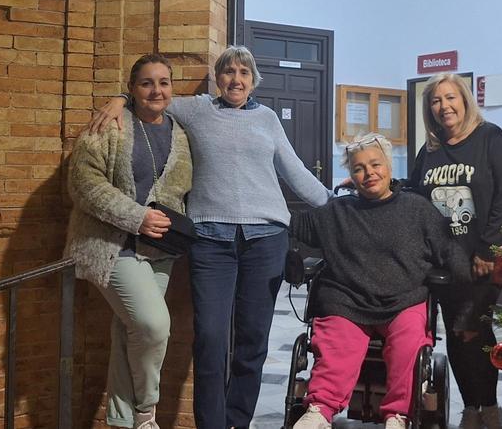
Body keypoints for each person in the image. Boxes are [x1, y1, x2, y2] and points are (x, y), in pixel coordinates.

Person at [89, 45, 331, 429]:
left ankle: (237, 421)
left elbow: (295, 170)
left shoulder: (267, 119)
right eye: (228, 72)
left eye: (244, 73)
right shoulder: (198, 109)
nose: (236, 79)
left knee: (252, 341)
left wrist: (336, 205)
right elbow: (155, 98)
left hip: (266, 240)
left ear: (253, 81)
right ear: (217, 78)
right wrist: (120, 98)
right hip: (211, 241)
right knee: (210, 338)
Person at [290, 134, 469, 429]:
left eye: (375, 164)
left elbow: (449, 251)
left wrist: (468, 302)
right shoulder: (337, 211)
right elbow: (292, 224)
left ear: (388, 165)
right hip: (346, 300)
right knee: (337, 343)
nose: (368, 173)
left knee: (409, 341)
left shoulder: (417, 209)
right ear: (351, 175)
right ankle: (319, 410)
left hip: (403, 300)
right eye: (359, 168)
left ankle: (397, 415)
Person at [64, 54, 193, 429]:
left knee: (130, 331)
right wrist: (135, 218)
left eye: (164, 82)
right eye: (146, 83)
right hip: (111, 246)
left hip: (160, 252)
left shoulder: (181, 131)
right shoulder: (109, 124)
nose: (156, 90)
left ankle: (122, 421)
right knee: (153, 326)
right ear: (132, 88)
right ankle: (147, 410)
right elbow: (84, 184)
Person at [406, 73, 502, 429]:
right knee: (457, 333)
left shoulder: (491, 138)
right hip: (444, 262)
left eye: (450, 97)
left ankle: (489, 408)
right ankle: (473, 408)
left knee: (473, 327)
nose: (444, 106)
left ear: (465, 100)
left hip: (481, 260)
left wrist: (490, 249)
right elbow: (414, 197)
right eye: (436, 101)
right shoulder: (428, 151)